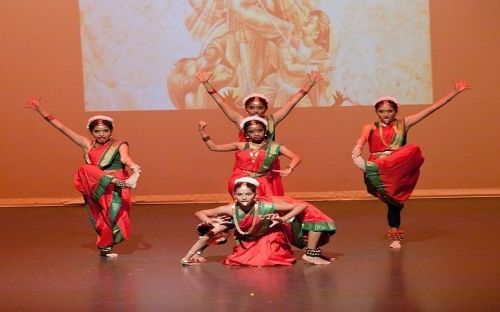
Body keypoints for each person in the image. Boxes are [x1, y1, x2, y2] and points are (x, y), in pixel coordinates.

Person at [351, 80, 471, 248]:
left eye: (390, 111)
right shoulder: (370, 126)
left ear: (395, 111)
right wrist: (357, 148)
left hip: (397, 166)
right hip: (378, 164)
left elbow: (432, 108)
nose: (386, 114)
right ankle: (370, 169)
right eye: (382, 111)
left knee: (411, 152)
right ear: (377, 112)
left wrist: (454, 92)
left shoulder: (403, 124)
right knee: (394, 201)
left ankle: (395, 236)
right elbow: (362, 138)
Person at [25, 96, 141, 257]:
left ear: (111, 131)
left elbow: (124, 158)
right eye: (97, 131)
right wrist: (40, 111)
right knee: (86, 170)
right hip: (99, 185)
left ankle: (105, 247)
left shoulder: (119, 144)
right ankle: (114, 181)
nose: (101, 134)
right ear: (91, 132)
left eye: (105, 131)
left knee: (109, 216)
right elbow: (62, 128)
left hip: (117, 186)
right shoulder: (87, 144)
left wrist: (134, 166)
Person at [181, 177, 336, 266]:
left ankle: (311, 252)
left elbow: (302, 205)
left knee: (269, 257)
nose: (243, 198)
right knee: (213, 230)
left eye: (248, 194)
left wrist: (284, 218)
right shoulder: (230, 209)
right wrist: (210, 220)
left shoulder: (265, 206)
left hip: (265, 234)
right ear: (235, 195)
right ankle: (188, 257)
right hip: (246, 239)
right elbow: (200, 214)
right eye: (240, 194)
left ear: (255, 195)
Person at [198, 116, 300, 196]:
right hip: (242, 178)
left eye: (259, 130)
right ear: (246, 134)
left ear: (265, 132)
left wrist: (289, 168)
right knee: (244, 197)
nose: (256, 134)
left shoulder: (275, 146)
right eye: (252, 131)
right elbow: (214, 147)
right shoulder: (242, 146)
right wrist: (202, 133)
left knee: (267, 205)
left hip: (263, 180)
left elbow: (296, 157)